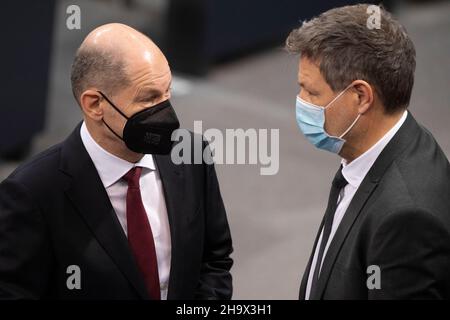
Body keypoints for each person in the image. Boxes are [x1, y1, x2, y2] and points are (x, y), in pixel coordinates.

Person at [0, 23, 233, 300]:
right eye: (149, 98)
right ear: (95, 104)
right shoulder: (31, 193)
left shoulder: (191, 154)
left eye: (167, 92)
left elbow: (214, 260)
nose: (166, 112)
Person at [286, 4, 450, 299]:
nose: (300, 102)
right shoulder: (380, 147)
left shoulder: (406, 218)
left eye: (311, 92)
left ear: (361, 97)